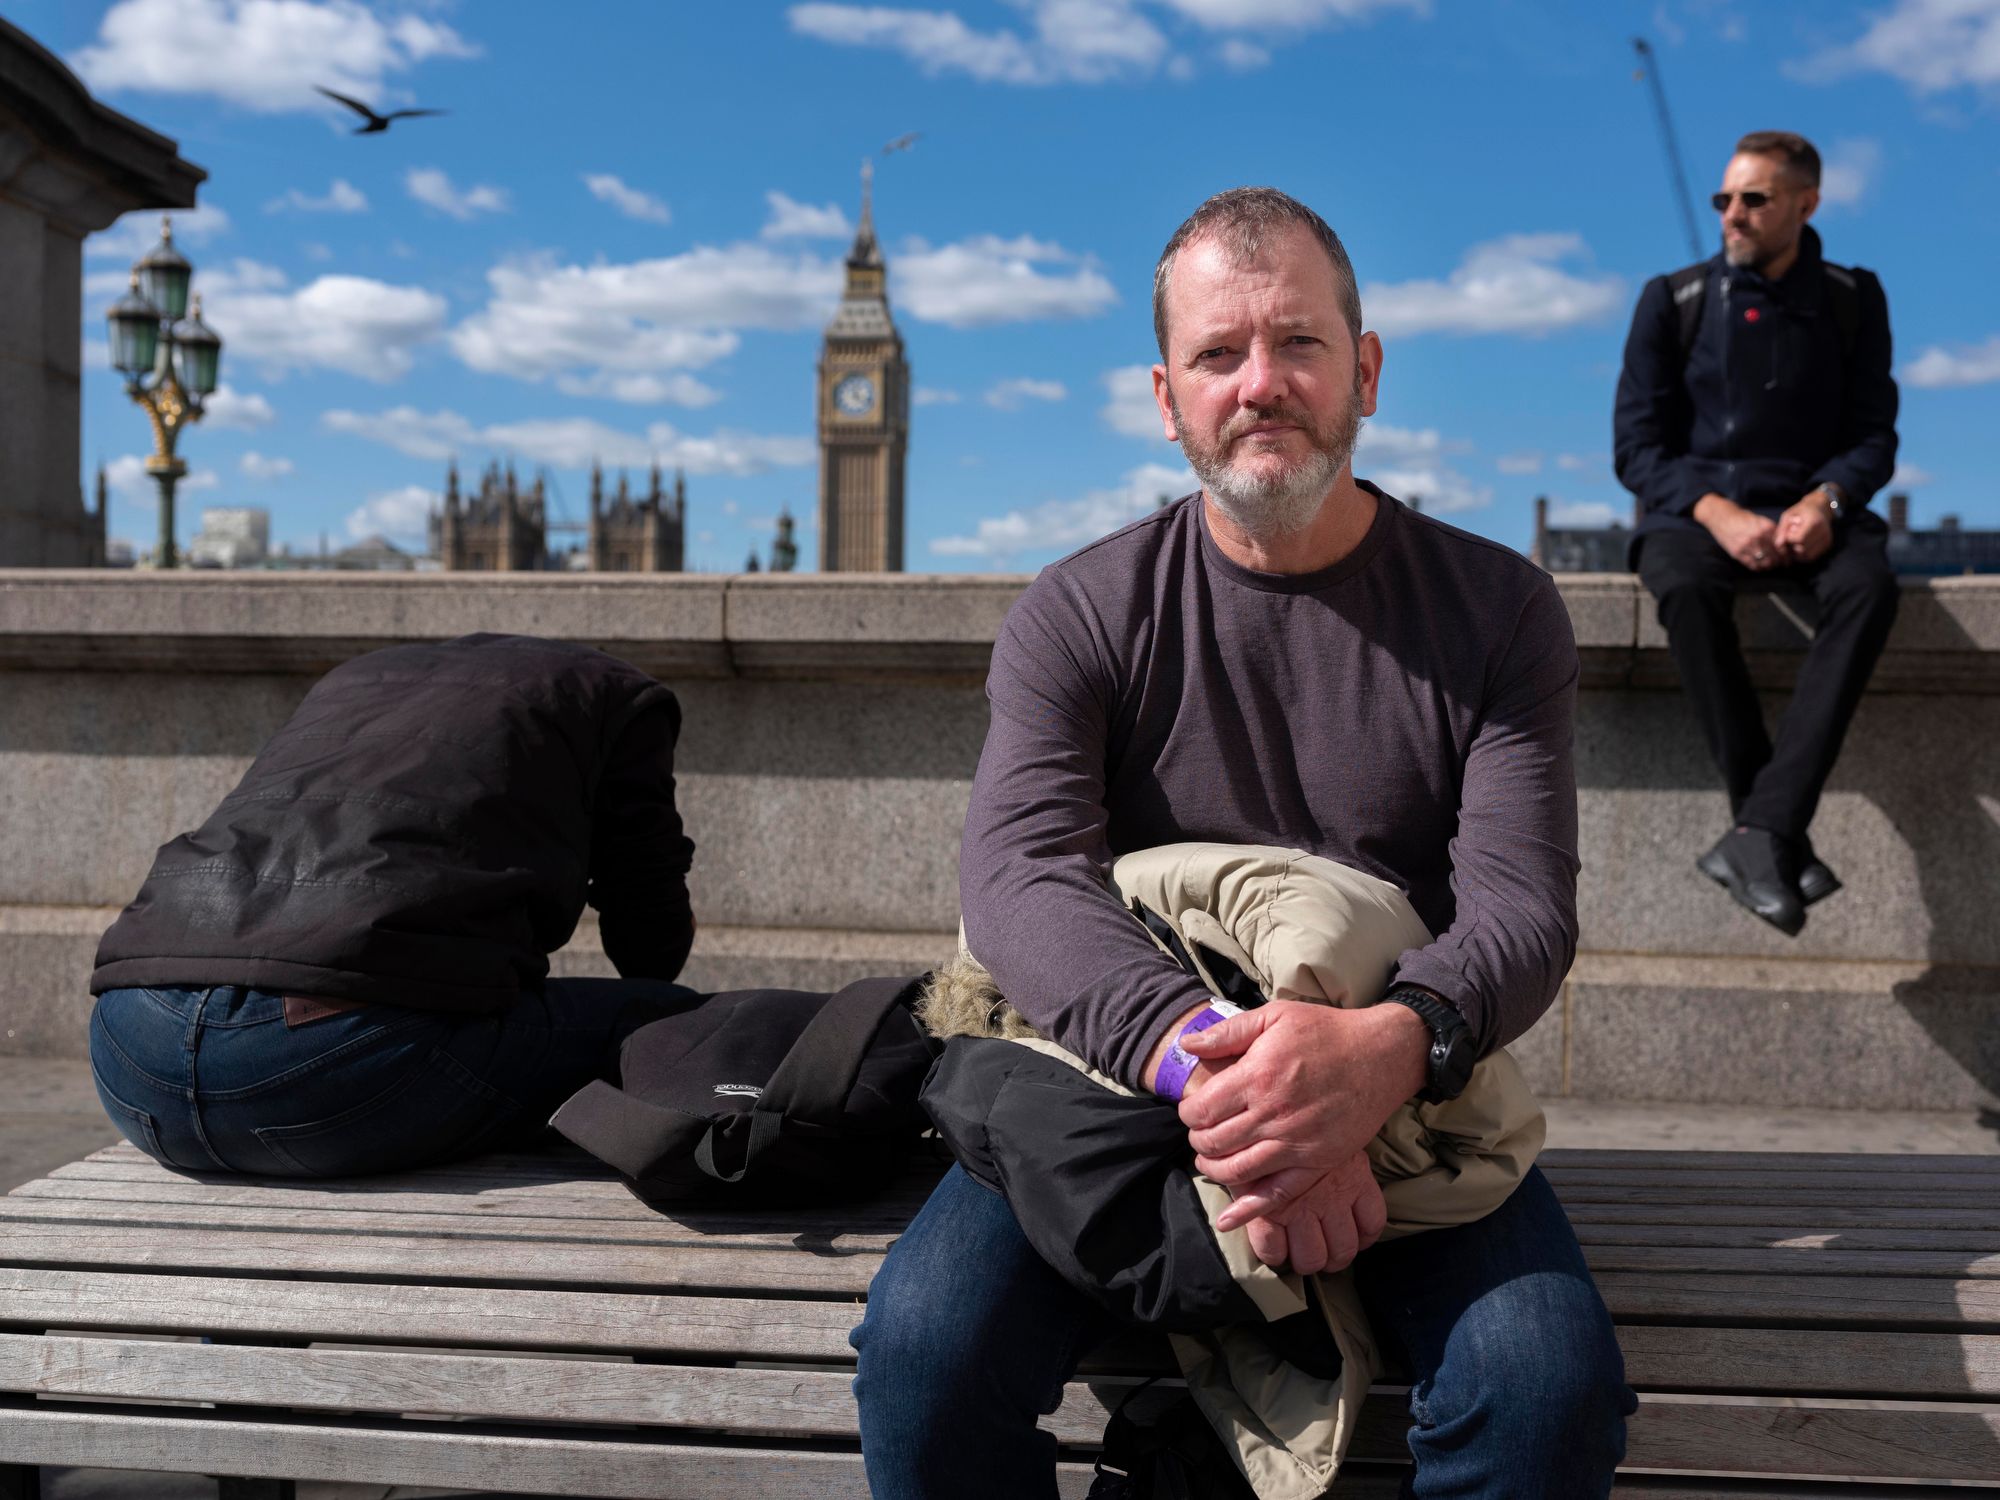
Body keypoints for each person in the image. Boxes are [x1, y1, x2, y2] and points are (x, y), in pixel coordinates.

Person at [851, 188, 1632, 1498]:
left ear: (1365, 370)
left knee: (1542, 1394)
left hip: (1406, 1097)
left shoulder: (1497, 609)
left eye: (1299, 345)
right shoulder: (1080, 611)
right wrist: (1221, 1073)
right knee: (924, 1367)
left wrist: (1388, 1049)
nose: (1260, 383)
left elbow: (1520, 907)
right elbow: (1020, 876)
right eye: (1220, 355)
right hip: (1124, 1087)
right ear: (1168, 398)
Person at [87, 632, 699, 1179]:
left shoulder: (354, 678)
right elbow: (648, 934)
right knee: (670, 1022)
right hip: (336, 1080)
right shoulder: (619, 698)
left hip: (132, 1060)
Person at [1614, 129, 1900, 937]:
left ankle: (1759, 834)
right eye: (1723, 199)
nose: (1732, 215)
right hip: (1695, 513)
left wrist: (1828, 501)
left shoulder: (1852, 296)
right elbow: (1636, 447)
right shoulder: (1672, 299)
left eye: (1754, 200)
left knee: (1870, 590)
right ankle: (1770, 831)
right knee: (1685, 585)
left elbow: (1874, 434)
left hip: (1817, 510)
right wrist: (1716, 512)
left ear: (1805, 206)